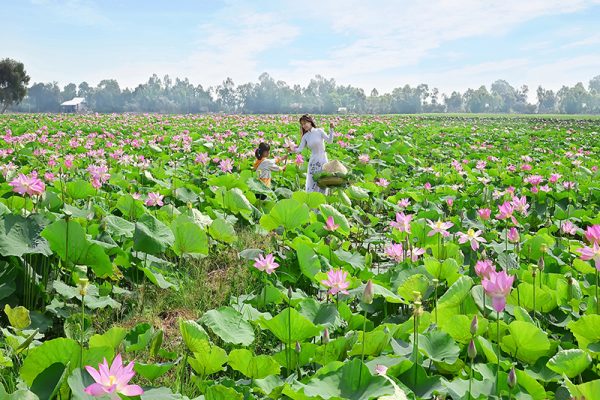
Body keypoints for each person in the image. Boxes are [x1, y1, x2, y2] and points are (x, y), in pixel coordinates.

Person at [294, 114, 335, 193]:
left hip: (323, 159)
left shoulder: (319, 131)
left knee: (323, 181)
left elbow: (330, 141)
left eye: (305, 123)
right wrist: (291, 149)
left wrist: (331, 130)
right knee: (313, 182)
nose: (304, 125)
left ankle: (322, 201)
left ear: (310, 122)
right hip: (313, 161)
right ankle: (312, 201)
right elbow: (299, 149)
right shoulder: (305, 136)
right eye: (302, 124)